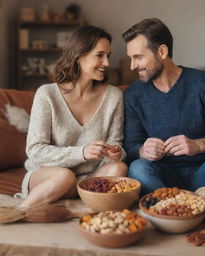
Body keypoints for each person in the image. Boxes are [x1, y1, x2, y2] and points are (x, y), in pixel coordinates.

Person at [122, 18, 205, 195]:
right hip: (162, 178)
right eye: (131, 58)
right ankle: (175, 211)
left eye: (138, 57)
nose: (133, 66)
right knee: (138, 167)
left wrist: (199, 145)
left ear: (162, 52)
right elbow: (130, 146)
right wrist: (142, 150)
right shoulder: (133, 94)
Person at [17, 25, 127, 208]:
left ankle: (68, 194)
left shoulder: (114, 96)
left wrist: (114, 153)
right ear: (78, 57)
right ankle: (22, 211)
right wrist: (82, 152)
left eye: (108, 56)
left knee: (119, 168)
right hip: (48, 175)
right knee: (64, 176)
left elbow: (117, 146)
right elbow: (35, 150)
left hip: (90, 178)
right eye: (100, 55)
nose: (107, 63)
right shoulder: (47, 94)